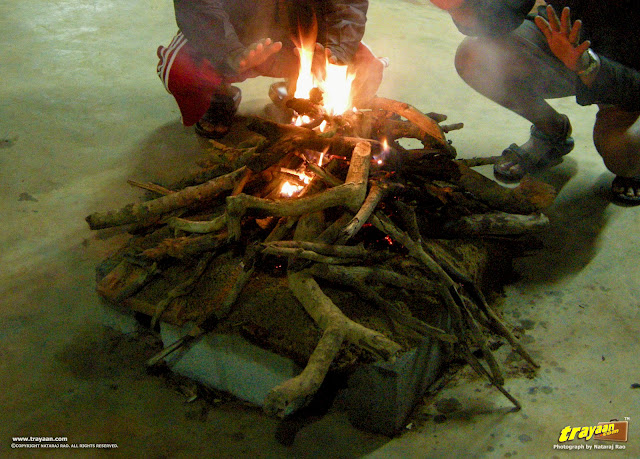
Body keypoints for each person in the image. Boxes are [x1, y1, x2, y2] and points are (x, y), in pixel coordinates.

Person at [431, 0, 640, 203]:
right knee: (474, 59)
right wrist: (461, 7)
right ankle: (552, 132)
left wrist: (588, 67)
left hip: (626, 72)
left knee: (622, 157)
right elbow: (509, 9)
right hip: (562, 41)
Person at [157, 0, 386, 139]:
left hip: (305, 42)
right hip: (239, 40)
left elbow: (348, 6)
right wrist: (228, 51)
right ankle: (220, 98)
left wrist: (337, 49)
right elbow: (198, 6)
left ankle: (298, 93)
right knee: (180, 68)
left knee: (365, 69)